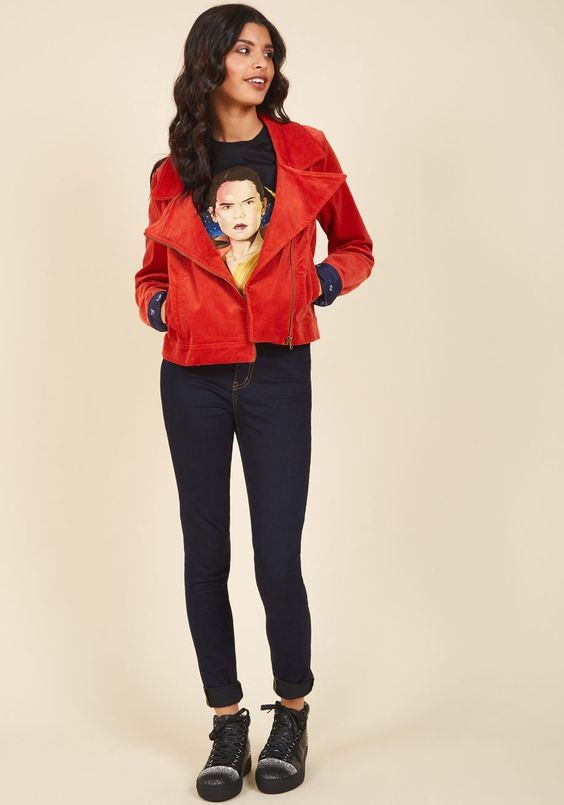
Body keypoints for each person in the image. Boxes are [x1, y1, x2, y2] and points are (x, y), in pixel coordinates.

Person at [134, 3, 374, 800]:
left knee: (277, 555)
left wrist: (323, 281)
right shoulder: (175, 167)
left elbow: (355, 244)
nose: (261, 63)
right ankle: (226, 719)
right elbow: (150, 274)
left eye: (268, 51)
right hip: (191, 376)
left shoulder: (305, 151)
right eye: (243, 49)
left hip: (277, 374)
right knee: (205, 555)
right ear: (211, 61)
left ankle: (293, 713)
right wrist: (162, 308)